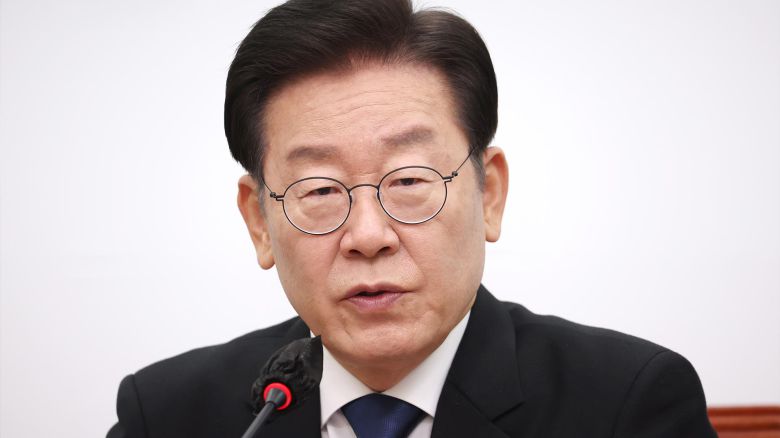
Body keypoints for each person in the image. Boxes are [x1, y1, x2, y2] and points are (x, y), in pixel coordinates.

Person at [107, 0, 717, 437]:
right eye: (320, 189)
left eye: (408, 181)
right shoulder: (165, 415)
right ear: (259, 221)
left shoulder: (626, 404)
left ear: (490, 193)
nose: (368, 236)